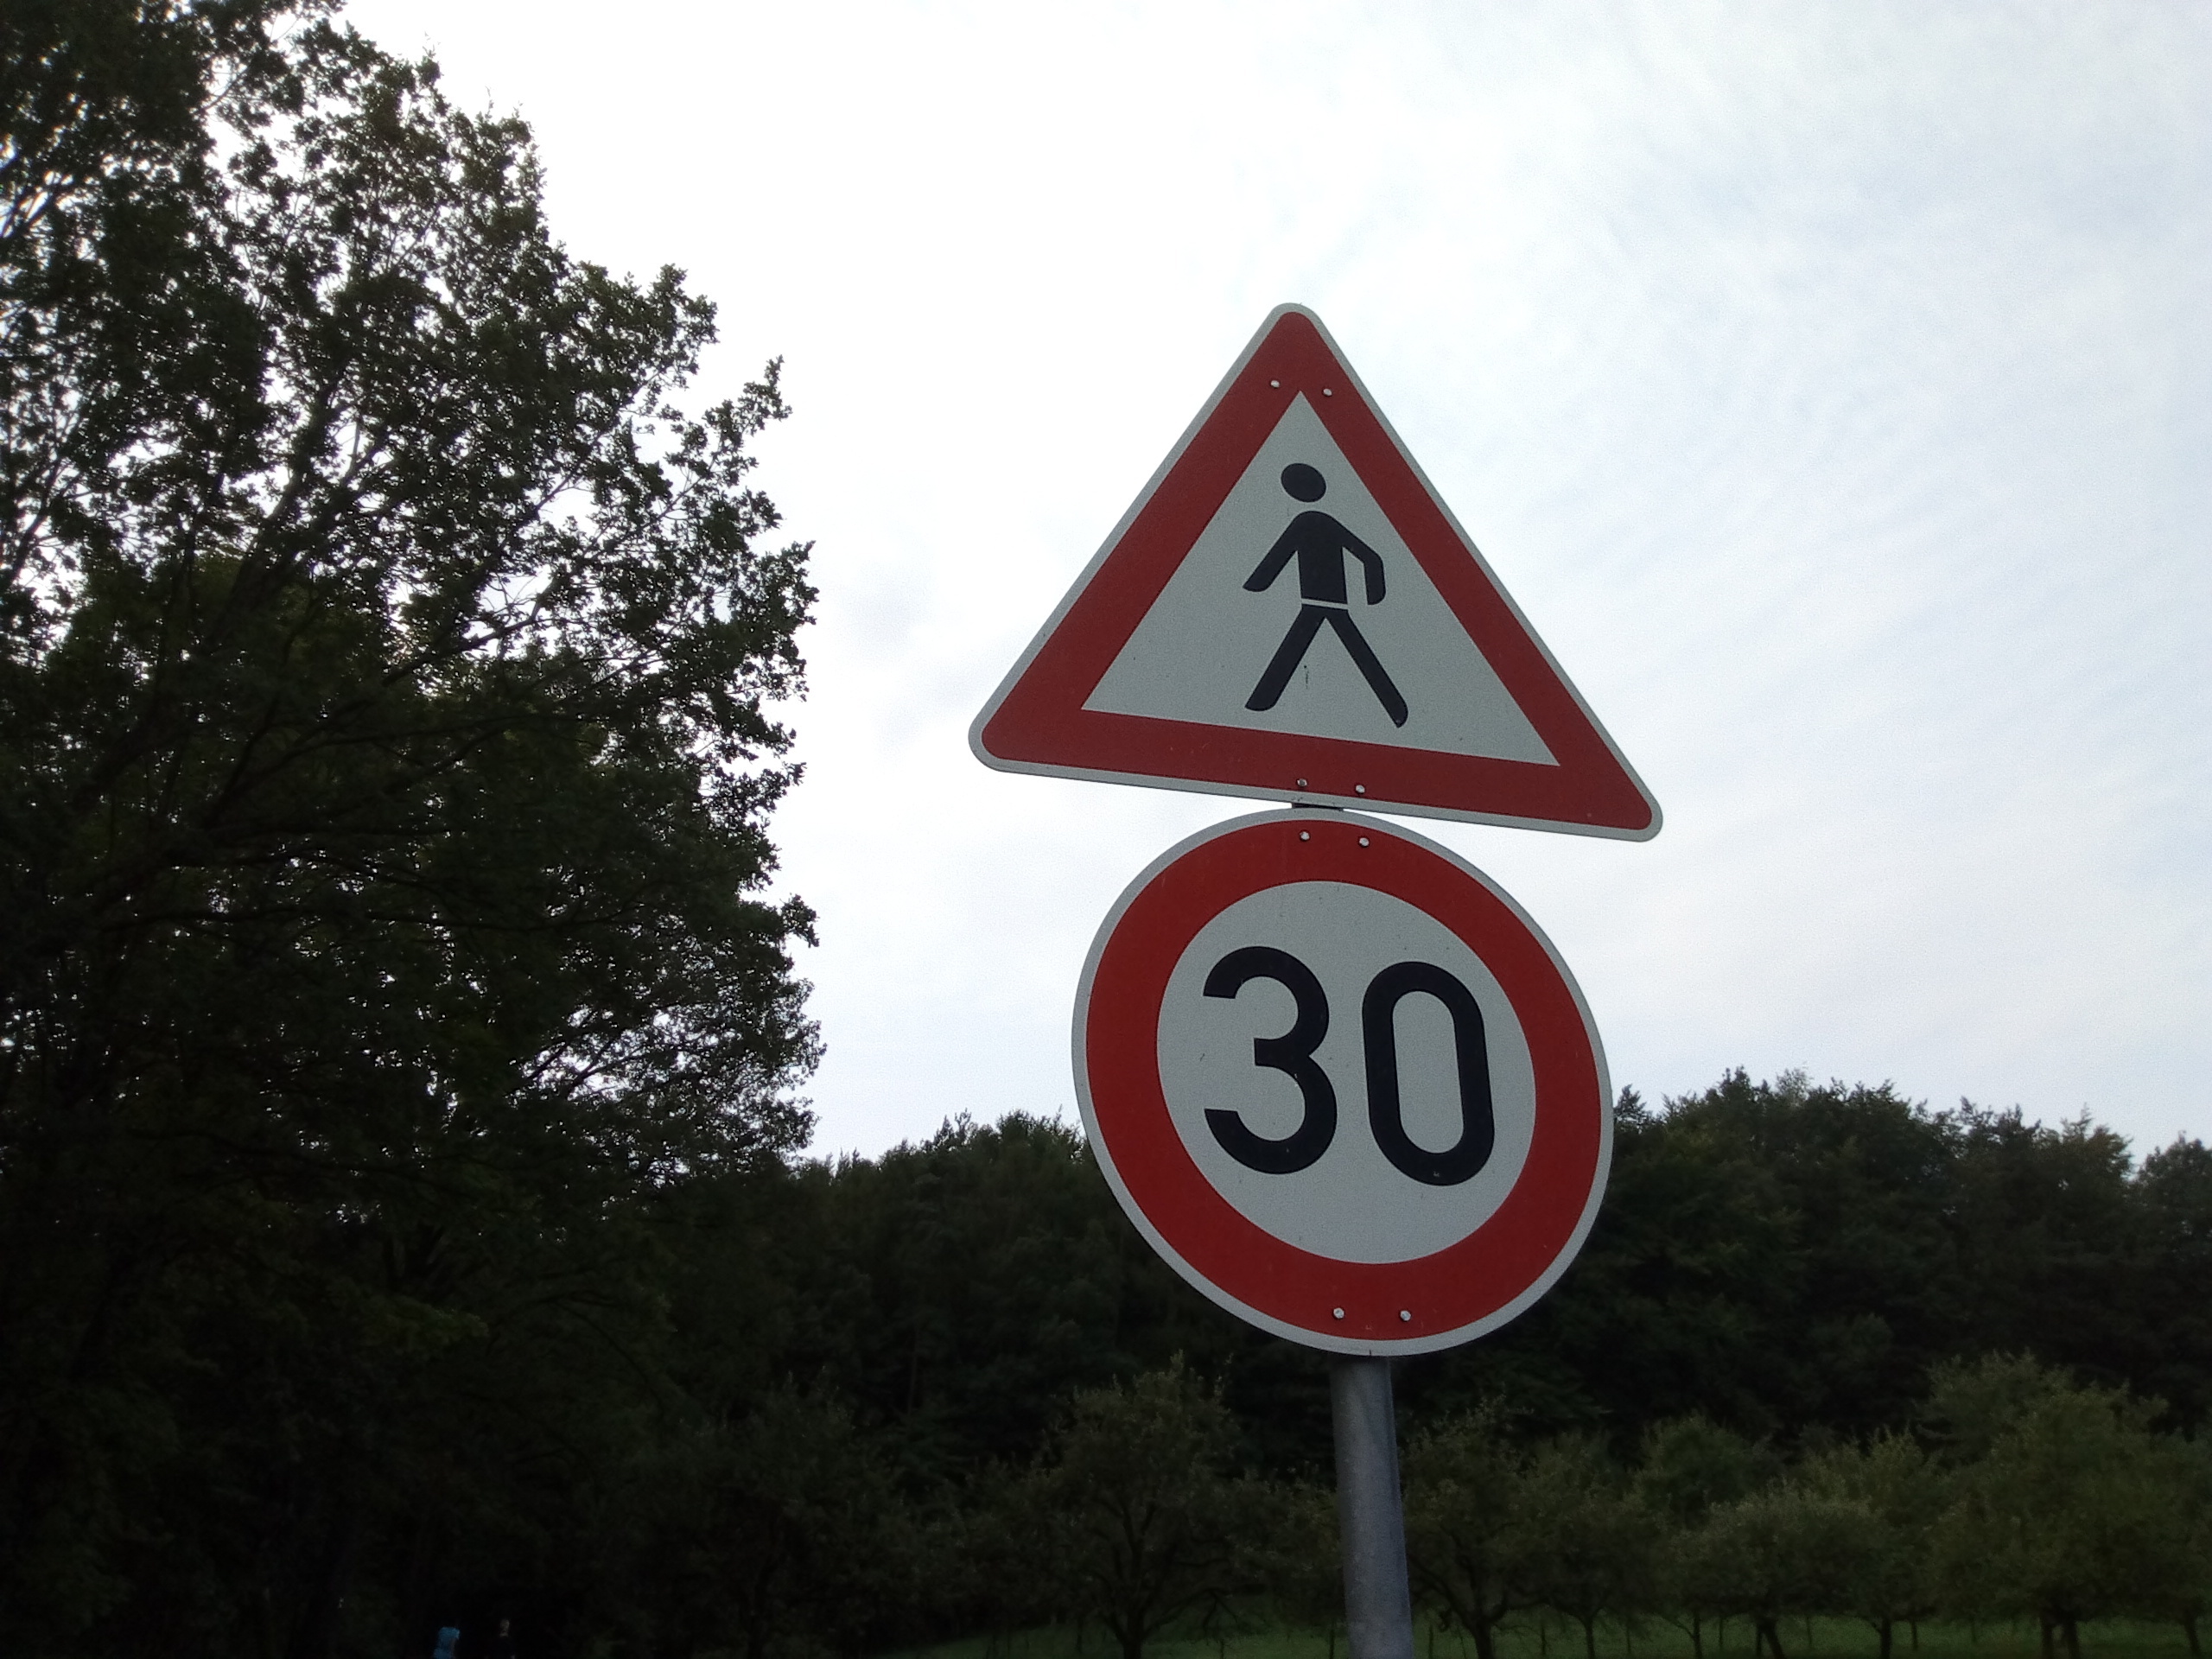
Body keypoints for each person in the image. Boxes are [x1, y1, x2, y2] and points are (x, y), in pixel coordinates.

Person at [1241, 463, 1408, 726]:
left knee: (1304, 646)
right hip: (1331, 602)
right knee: (1350, 648)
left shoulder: (1307, 522)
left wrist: (1257, 585)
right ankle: (1397, 709)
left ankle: (1259, 703)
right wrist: (1373, 592)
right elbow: (1370, 558)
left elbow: (1278, 556)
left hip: (1318, 601)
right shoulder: (1322, 523)